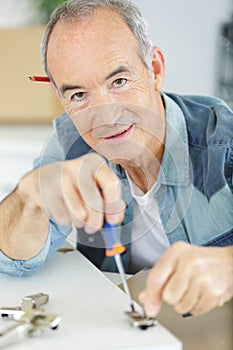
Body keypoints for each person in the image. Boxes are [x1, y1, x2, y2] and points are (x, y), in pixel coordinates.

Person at [0, 0, 232, 319]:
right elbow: (10, 259)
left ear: (156, 70)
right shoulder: (69, 145)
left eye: (119, 82)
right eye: (79, 95)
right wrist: (30, 194)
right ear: (60, 98)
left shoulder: (224, 143)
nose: (106, 117)